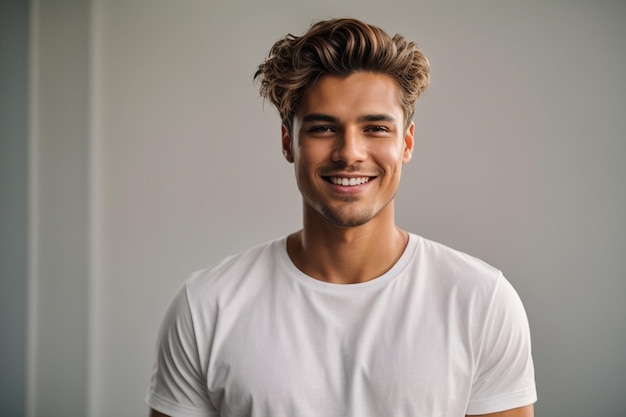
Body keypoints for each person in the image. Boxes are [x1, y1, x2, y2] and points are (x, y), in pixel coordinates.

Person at [146, 17, 537, 417]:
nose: (349, 152)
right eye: (323, 128)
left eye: (375, 128)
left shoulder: (481, 302)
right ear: (289, 143)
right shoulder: (206, 308)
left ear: (406, 143)